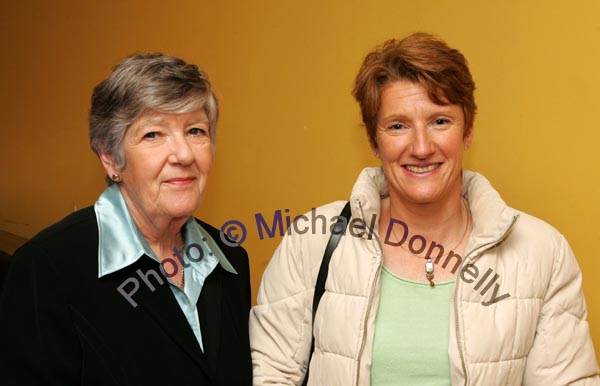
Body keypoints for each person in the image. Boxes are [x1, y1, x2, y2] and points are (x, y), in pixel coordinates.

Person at [249, 33, 599, 385]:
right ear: (373, 140)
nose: (420, 147)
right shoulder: (312, 240)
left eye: (440, 121)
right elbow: (271, 376)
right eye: (398, 126)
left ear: (468, 131)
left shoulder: (542, 253)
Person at [0, 54, 252, 385]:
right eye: (153, 135)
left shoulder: (230, 257)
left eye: (195, 131)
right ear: (110, 157)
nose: (185, 154)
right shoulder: (48, 269)